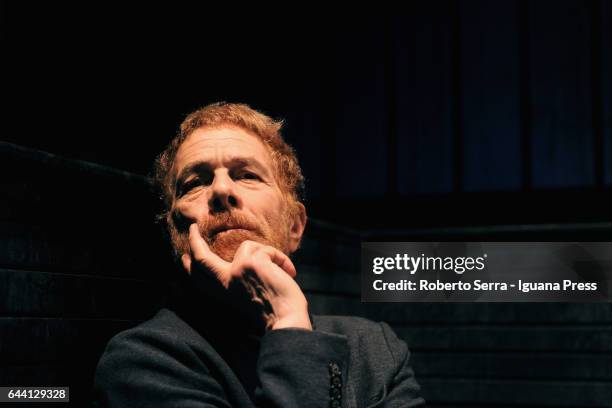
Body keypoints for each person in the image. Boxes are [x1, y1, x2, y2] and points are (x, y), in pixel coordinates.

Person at [93, 102, 425, 407]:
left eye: (247, 175)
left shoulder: (373, 349)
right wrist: (286, 319)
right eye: (195, 182)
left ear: (295, 226)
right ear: (175, 232)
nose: (222, 190)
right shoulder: (143, 361)